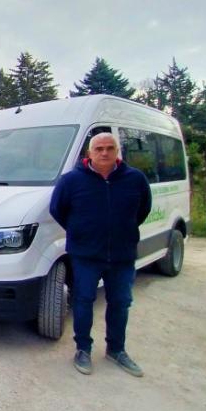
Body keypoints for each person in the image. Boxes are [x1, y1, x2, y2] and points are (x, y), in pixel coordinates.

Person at [50, 133, 151, 377]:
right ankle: (82, 349)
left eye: (110, 148)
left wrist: (121, 232)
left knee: (120, 303)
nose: (104, 153)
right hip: (85, 254)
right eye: (99, 148)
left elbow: (143, 210)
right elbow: (57, 210)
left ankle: (116, 350)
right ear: (89, 153)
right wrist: (81, 232)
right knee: (83, 301)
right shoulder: (71, 181)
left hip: (122, 255)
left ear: (118, 151)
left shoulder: (135, 179)